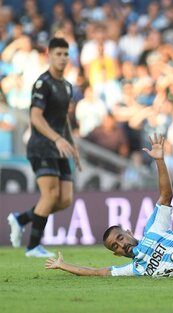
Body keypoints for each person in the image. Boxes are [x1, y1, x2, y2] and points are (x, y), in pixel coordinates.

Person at [44, 133, 173, 277]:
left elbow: (166, 195)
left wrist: (159, 161)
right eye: (115, 247)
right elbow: (99, 272)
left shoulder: (153, 229)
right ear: (116, 254)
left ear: (128, 232)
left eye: (119, 238)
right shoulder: (136, 268)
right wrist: (64, 266)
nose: (121, 245)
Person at [7, 37, 82, 257]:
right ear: (49, 56)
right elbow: (36, 118)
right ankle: (32, 247)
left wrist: (72, 146)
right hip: (41, 146)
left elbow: (64, 120)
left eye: (65, 54)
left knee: (65, 199)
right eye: (58, 54)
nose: (62, 58)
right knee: (49, 195)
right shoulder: (43, 83)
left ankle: (20, 219)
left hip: (59, 148)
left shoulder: (67, 86)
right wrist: (57, 139)